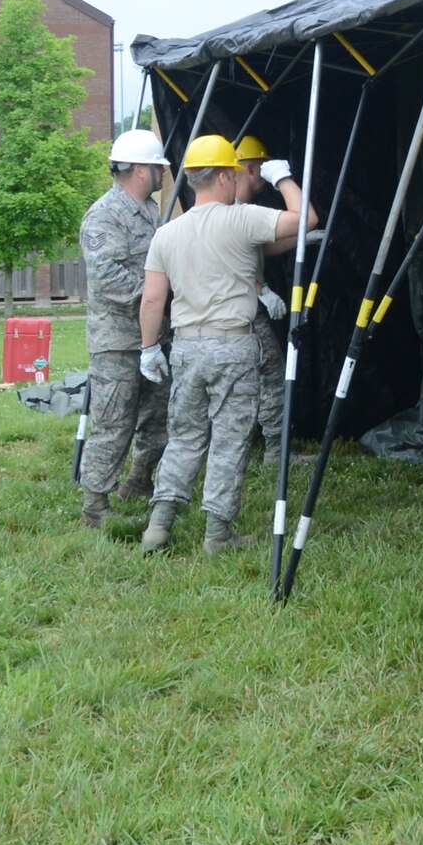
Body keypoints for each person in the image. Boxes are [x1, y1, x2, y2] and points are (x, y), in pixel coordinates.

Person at [137, 135, 312, 556]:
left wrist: (148, 349)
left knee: (184, 437)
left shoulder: (167, 233)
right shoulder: (241, 218)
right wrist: (283, 177)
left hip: (186, 348)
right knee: (230, 441)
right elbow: (306, 219)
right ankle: (217, 535)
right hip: (233, 346)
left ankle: (158, 527)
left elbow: (153, 299)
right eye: (233, 172)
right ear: (220, 176)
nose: (238, 178)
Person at [76, 129, 173, 525]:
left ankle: (139, 480)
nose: (163, 174)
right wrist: (157, 297)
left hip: (153, 337)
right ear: (137, 169)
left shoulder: (151, 211)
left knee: (158, 416)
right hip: (117, 342)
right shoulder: (104, 215)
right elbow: (108, 278)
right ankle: (95, 504)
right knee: (114, 423)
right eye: (157, 167)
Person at [228, 133, 293, 462]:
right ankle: (275, 453)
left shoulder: (230, 208)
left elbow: (256, 247)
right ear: (250, 169)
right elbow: (229, 260)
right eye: (261, 169)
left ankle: (244, 451)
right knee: (270, 376)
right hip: (244, 313)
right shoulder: (234, 211)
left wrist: (299, 239)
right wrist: (262, 291)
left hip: (231, 315)